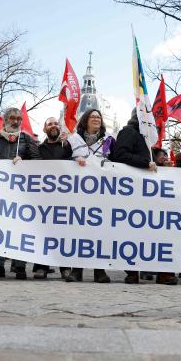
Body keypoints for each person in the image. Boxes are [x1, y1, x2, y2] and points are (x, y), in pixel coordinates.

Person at [111, 110, 178, 285]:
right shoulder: (129, 132)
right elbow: (120, 155)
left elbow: (146, 158)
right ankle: (133, 271)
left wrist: (161, 163)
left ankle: (163, 272)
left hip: (149, 191)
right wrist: (146, 163)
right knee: (133, 232)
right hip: (133, 190)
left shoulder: (148, 137)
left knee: (157, 230)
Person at [0, 107, 40, 280]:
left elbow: (38, 161)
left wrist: (24, 163)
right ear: (5, 120)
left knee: (20, 228)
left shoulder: (27, 140)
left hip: (21, 193)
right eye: (12, 118)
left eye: (18, 119)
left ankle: (20, 266)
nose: (15, 121)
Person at [63, 109, 114, 284]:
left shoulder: (109, 140)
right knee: (79, 231)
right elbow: (60, 163)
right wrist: (73, 163)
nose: (96, 119)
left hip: (102, 193)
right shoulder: (73, 140)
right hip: (78, 193)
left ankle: (99, 270)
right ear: (85, 121)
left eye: (99, 117)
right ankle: (76, 270)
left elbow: (117, 161)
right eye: (93, 117)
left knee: (99, 231)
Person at [33, 117, 73, 280]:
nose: (53, 126)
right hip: (43, 197)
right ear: (44, 129)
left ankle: (65, 267)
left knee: (62, 232)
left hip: (63, 197)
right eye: (49, 124)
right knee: (43, 232)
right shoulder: (38, 149)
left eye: (56, 123)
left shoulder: (67, 147)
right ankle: (41, 266)